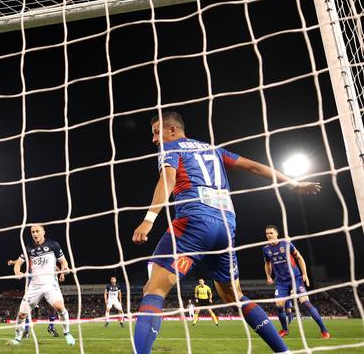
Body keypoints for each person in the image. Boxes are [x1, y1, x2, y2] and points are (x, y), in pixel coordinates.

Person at [132, 111, 320, 354]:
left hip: (193, 221)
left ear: (172, 130)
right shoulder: (214, 150)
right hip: (225, 226)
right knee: (234, 295)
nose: (154, 139)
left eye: (157, 132)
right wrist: (293, 183)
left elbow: (167, 179)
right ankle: (283, 352)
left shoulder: (172, 146)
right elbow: (253, 166)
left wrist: (149, 219)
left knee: (154, 290)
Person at [7, 224, 75, 346]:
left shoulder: (53, 245)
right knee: (22, 314)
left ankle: (67, 333)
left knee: (60, 307)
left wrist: (65, 267)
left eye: (37, 231)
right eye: (32, 232)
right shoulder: (28, 248)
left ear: (43, 232)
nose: (35, 234)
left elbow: (63, 261)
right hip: (34, 286)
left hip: (50, 285)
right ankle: (17, 339)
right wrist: (17, 272)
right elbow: (18, 264)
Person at [263, 225, 330, 339]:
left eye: (271, 233)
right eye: (267, 234)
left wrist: (305, 274)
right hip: (281, 282)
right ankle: (285, 330)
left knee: (305, 302)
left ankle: (324, 330)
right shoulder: (266, 249)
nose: (269, 235)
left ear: (277, 234)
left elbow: (299, 257)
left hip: (295, 278)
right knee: (279, 305)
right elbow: (267, 263)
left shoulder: (286, 244)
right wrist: (268, 276)